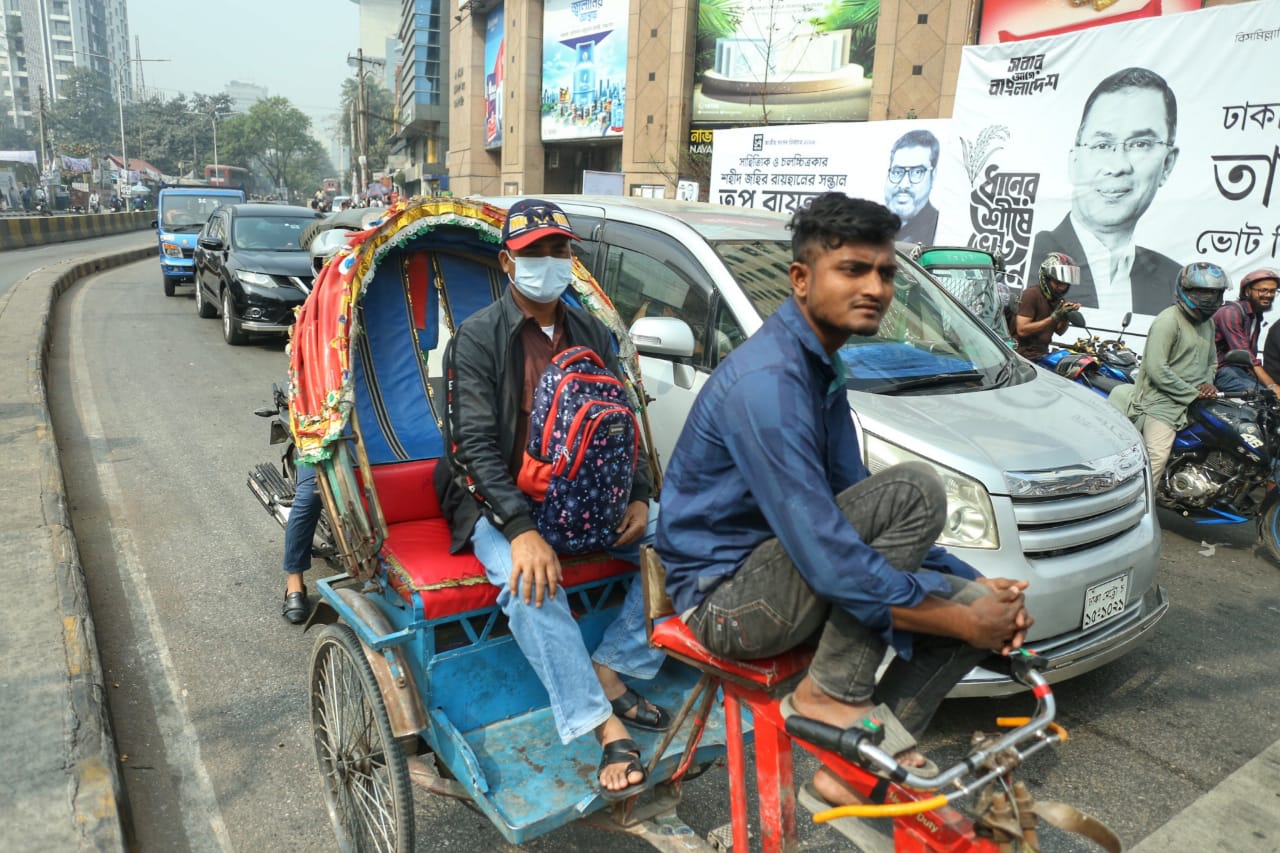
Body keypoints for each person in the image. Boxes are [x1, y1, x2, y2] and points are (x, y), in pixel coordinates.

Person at [655, 192, 1032, 809]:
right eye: (854, 270)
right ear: (801, 280)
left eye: (884, 272)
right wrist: (956, 613)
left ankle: (855, 763)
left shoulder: (819, 370)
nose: (877, 288)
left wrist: (976, 590)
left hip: (781, 577)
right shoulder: (769, 384)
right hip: (725, 602)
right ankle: (830, 696)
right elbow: (830, 555)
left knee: (974, 609)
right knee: (917, 491)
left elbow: (850, 502)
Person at [433, 198, 671, 800]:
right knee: (528, 582)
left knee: (691, 537)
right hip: (494, 497)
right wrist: (519, 529)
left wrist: (639, 494)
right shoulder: (479, 337)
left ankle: (612, 665)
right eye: (533, 252)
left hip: (587, 493)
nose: (548, 261)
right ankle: (600, 723)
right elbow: (472, 447)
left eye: (558, 250)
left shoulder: (591, 328)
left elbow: (623, 421)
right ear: (508, 263)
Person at [1030, 67, 1181, 317]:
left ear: (1167, 164)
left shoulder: (1174, 283)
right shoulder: (1033, 258)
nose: (1118, 165)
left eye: (1140, 144)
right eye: (1102, 145)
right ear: (1075, 161)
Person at [1111, 263, 1225, 485]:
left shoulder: (1208, 324)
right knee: (1156, 457)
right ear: (1185, 290)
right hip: (1162, 403)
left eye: (1214, 292)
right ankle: (1140, 512)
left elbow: (1212, 361)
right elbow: (1156, 369)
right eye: (1202, 291)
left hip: (1193, 401)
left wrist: (1207, 383)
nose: (1209, 298)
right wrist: (1191, 392)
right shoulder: (1168, 321)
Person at [1213, 268, 1279, 393]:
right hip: (1218, 371)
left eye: (1273, 291)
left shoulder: (1255, 315)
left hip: (1237, 370)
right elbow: (1246, 356)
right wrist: (1272, 387)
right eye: (1263, 290)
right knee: (1266, 396)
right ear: (1247, 291)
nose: (1269, 295)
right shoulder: (1231, 313)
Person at [1014, 253, 1082, 361]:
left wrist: (1065, 316)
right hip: (1022, 355)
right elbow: (1022, 330)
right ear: (1046, 278)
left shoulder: (1058, 301)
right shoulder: (1031, 295)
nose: (1061, 287)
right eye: (1057, 282)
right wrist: (1054, 318)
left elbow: (1059, 332)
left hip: (1042, 354)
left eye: (1064, 283)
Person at [884, 129, 940, 245]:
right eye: (897, 172)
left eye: (917, 172)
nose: (903, 185)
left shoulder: (940, 228)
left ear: (933, 176)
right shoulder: (873, 225)